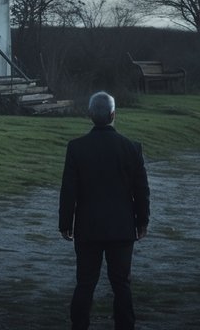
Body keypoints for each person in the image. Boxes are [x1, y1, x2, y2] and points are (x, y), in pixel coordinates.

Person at [59, 91, 150, 330]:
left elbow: (69, 190)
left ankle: (79, 326)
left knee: (85, 282)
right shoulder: (131, 148)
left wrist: (65, 223)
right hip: (121, 227)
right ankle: (125, 326)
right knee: (121, 283)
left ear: (90, 115)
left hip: (88, 227)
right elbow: (141, 190)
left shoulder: (76, 148)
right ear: (113, 115)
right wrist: (143, 221)